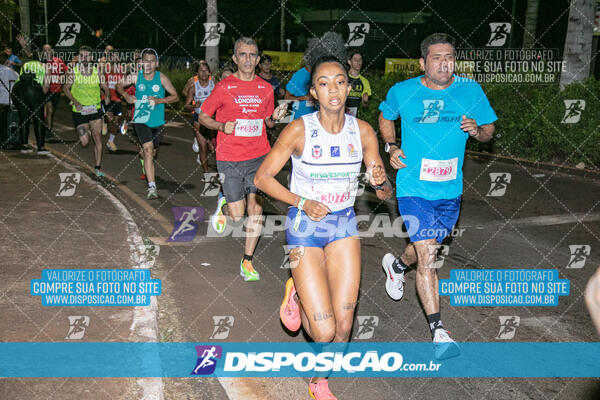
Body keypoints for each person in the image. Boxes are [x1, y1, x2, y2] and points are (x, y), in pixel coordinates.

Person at [254, 55, 391, 400]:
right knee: (324, 330)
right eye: (324, 83)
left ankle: (319, 380)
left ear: (349, 86)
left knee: (344, 326)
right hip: (305, 225)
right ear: (313, 91)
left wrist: (381, 180)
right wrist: (301, 201)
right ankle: (297, 290)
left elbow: (385, 190)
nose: (334, 89)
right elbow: (262, 178)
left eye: (340, 81)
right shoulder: (300, 129)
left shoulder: (362, 131)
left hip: (343, 223)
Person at [378, 33, 497, 359]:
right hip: (413, 188)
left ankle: (398, 267)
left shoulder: (470, 90)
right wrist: (391, 146)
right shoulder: (403, 91)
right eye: (437, 57)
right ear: (423, 62)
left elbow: (489, 131)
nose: (444, 63)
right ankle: (439, 332)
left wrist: (478, 131)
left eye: (449, 57)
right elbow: (385, 116)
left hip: (450, 191)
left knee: (424, 248)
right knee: (429, 256)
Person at [198, 37, 287, 281]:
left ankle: (247, 261)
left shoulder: (266, 89)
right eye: (242, 55)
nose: (248, 59)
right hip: (229, 157)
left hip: (259, 156)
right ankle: (223, 205)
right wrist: (221, 125)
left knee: (255, 209)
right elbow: (203, 116)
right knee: (237, 216)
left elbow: (267, 121)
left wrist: (275, 117)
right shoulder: (224, 87)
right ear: (236, 58)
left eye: (252, 55)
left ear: (258, 60)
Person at [117, 48, 179, 199]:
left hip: (157, 120)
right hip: (141, 117)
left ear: (156, 63)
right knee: (149, 150)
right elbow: (119, 85)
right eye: (145, 60)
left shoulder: (162, 78)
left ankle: (143, 158)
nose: (148, 64)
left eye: (151, 61)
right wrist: (126, 95)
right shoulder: (135, 77)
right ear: (141, 62)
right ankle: (152, 187)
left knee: (152, 152)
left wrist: (159, 100)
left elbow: (175, 97)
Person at [63, 46, 111, 177]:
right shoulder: (74, 72)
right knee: (84, 141)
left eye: (87, 56)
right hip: (79, 111)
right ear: (79, 58)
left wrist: (107, 97)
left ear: (91, 58)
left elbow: (105, 86)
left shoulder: (97, 72)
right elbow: (66, 88)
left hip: (95, 110)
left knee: (98, 138)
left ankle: (97, 168)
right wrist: (76, 101)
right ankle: (86, 130)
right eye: (81, 56)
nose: (84, 58)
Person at [11, 60, 50, 153]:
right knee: (39, 117)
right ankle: (41, 147)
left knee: (24, 117)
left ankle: (24, 145)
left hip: (17, 88)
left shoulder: (26, 64)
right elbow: (47, 84)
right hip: (33, 87)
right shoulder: (45, 66)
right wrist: (40, 97)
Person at [183, 60, 215, 171]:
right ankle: (206, 173)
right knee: (203, 148)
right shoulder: (193, 87)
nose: (204, 73)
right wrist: (194, 106)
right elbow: (185, 106)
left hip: (213, 119)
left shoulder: (214, 84)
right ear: (197, 73)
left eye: (206, 70)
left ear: (209, 72)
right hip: (199, 119)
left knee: (215, 148)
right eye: (201, 71)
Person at [42, 44, 67, 138]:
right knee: (50, 109)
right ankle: (49, 130)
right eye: (45, 50)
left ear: (52, 51)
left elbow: (66, 71)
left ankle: (46, 125)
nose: (47, 51)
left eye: (48, 49)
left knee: (51, 111)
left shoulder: (58, 61)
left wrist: (63, 76)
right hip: (46, 89)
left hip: (57, 90)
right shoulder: (41, 62)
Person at [102, 48, 123, 152]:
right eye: (113, 56)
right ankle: (104, 121)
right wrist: (105, 95)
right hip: (108, 98)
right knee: (110, 120)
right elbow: (100, 84)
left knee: (115, 122)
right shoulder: (105, 68)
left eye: (116, 56)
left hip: (117, 99)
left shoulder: (121, 69)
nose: (115, 58)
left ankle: (111, 141)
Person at [345, 49, 371, 117]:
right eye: (355, 60)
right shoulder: (343, 78)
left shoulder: (365, 81)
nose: (358, 62)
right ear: (349, 62)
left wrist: (365, 101)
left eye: (360, 60)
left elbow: (365, 106)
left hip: (356, 119)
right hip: (341, 116)